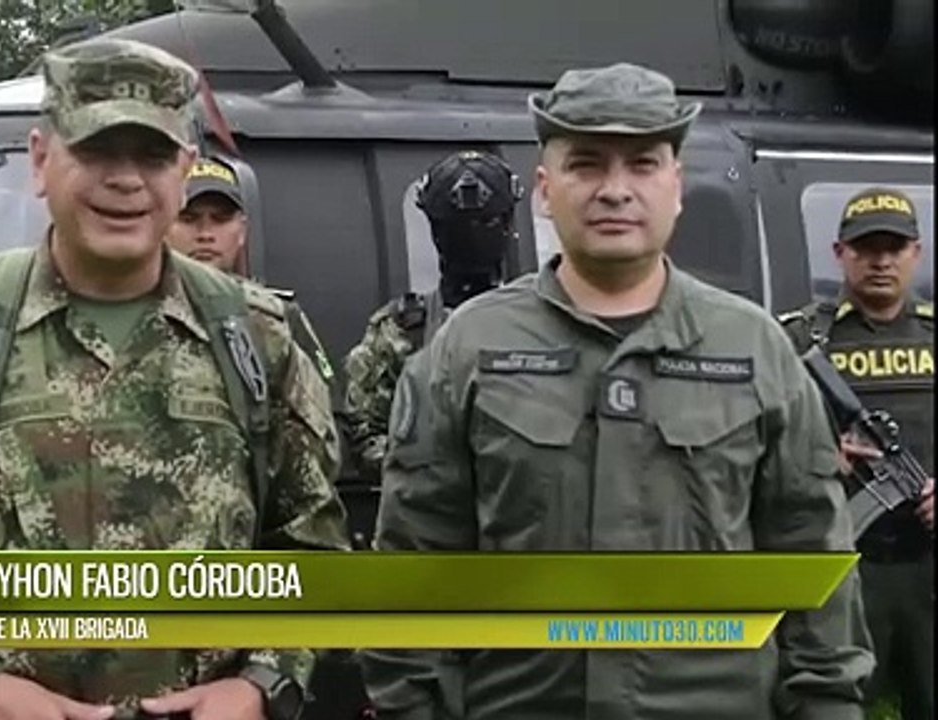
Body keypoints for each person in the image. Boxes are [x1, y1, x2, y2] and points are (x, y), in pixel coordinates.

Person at [0, 37, 350, 720]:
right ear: (41, 161)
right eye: (96, 151)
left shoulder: (256, 337)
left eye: (153, 156)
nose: (125, 180)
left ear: (185, 170)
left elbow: (314, 548)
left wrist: (259, 685)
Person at [359, 62, 874, 719]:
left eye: (642, 164)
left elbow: (813, 560)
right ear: (546, 189)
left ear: (677, 185)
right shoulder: (467, 349)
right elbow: (414, 562)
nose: (615, 190)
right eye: (587, 164)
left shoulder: (754, 349)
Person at [778, 186, 934, 720]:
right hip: (846, 569)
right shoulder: (801, 340)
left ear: (916, 252)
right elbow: (755, 445)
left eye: (895, 247)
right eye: (867, 248)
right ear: (840, 253)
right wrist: (815, 460)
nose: (882, 261)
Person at [341, 150, 520, 483]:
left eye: (487, 223)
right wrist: (437, 473)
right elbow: (366, 438)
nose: (473, 235)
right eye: (458, 226)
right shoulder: (401, 331)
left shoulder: (539, 323)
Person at [167, 154, 336, 384]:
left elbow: (330, 411)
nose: (205, 234)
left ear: (242, 231)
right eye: (188, 218)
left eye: (220, 219)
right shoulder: (135, 309)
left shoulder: (276, 318)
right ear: (163, 224)